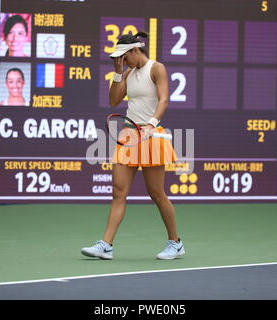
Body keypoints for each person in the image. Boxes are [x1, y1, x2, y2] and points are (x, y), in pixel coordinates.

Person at [81, 32, 184, 260]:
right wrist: (118, 73)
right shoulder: (126, 72)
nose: (122, 61)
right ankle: (105, 245)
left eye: (124, 57)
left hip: (151, 135)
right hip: (130, 136)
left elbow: (164, 99)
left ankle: (175, 243)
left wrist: (151, 125)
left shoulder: (157, 68)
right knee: (118, 191)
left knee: (156, 193)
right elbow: (114, 101)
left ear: (136, 50)